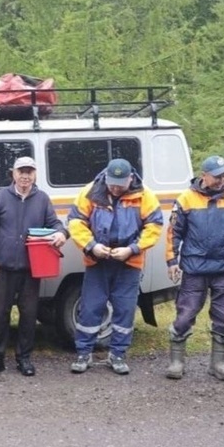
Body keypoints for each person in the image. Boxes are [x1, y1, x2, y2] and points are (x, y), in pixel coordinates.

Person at [165, 154, 224, 381]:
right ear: (204, 176)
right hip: (195, 268)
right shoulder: (186, 199)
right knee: (185, 314)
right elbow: (174, 233)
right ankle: (176, 361)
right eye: (217, 176)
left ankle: (219, 363)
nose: (221, 179)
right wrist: (171, 261)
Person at [67, 158, 163, 376]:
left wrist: (132, 249)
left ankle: (118, 355)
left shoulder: (145, 195)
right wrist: (92, 246)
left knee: (125, 310)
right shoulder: (91, 191)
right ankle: (83, 353)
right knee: (90, 308)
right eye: (112, 183)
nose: (115, 187)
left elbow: (154, 226)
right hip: (97, 261)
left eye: (120, 183)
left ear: (130, 178)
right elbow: (75, 222)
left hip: (128, 262)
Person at [0, 155, 67, 377]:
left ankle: (24, 358)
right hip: (4, 268)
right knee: (0, 314)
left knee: (29, 314)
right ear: (13, 173)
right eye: (21, 171)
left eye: (29, 172)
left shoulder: (42, 199)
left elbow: (55, 223)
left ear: (35, 174)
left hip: (31, 269)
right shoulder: (1, 197)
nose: (25, 176)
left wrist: (61, 233)